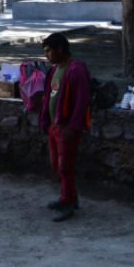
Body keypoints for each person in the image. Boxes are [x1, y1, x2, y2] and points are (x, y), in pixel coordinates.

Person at [38, 33, 91, 223]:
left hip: (66, 129)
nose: (46, 56)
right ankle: (69, 196)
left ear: (60, 49)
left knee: (64, 165)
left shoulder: (76, 70)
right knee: (56, 164)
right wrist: (44, 121)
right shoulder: (54, 71)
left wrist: (73, 126)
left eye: (48, 51)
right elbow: (48, 98)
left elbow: (83, 101)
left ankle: (67, 202)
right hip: (54, 126)